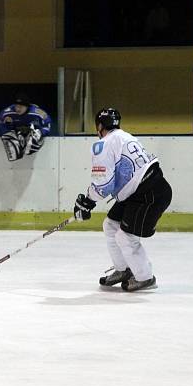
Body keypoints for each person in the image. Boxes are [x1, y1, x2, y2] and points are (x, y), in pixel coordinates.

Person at [73, 108, 173, 292]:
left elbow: (104, 183)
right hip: (145, 189)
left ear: (100, 126)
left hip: (147, 193)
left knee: (125, 235)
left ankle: (145, 278)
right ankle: (123, 269)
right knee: (110, 224)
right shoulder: (125, 136)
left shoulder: (104, 143)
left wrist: (88, 201)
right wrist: (89, 200)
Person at [0, 93, 51, 161]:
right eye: (16, 106)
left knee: (34, 139)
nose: (18, 109)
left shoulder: (38, 113)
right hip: (15, 132)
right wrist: (7, 131)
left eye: (21, 107)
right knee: (7, 136)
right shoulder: (6, 112)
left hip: (32, 131)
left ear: (27, 106)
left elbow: (47, 125)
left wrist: (41, 133)